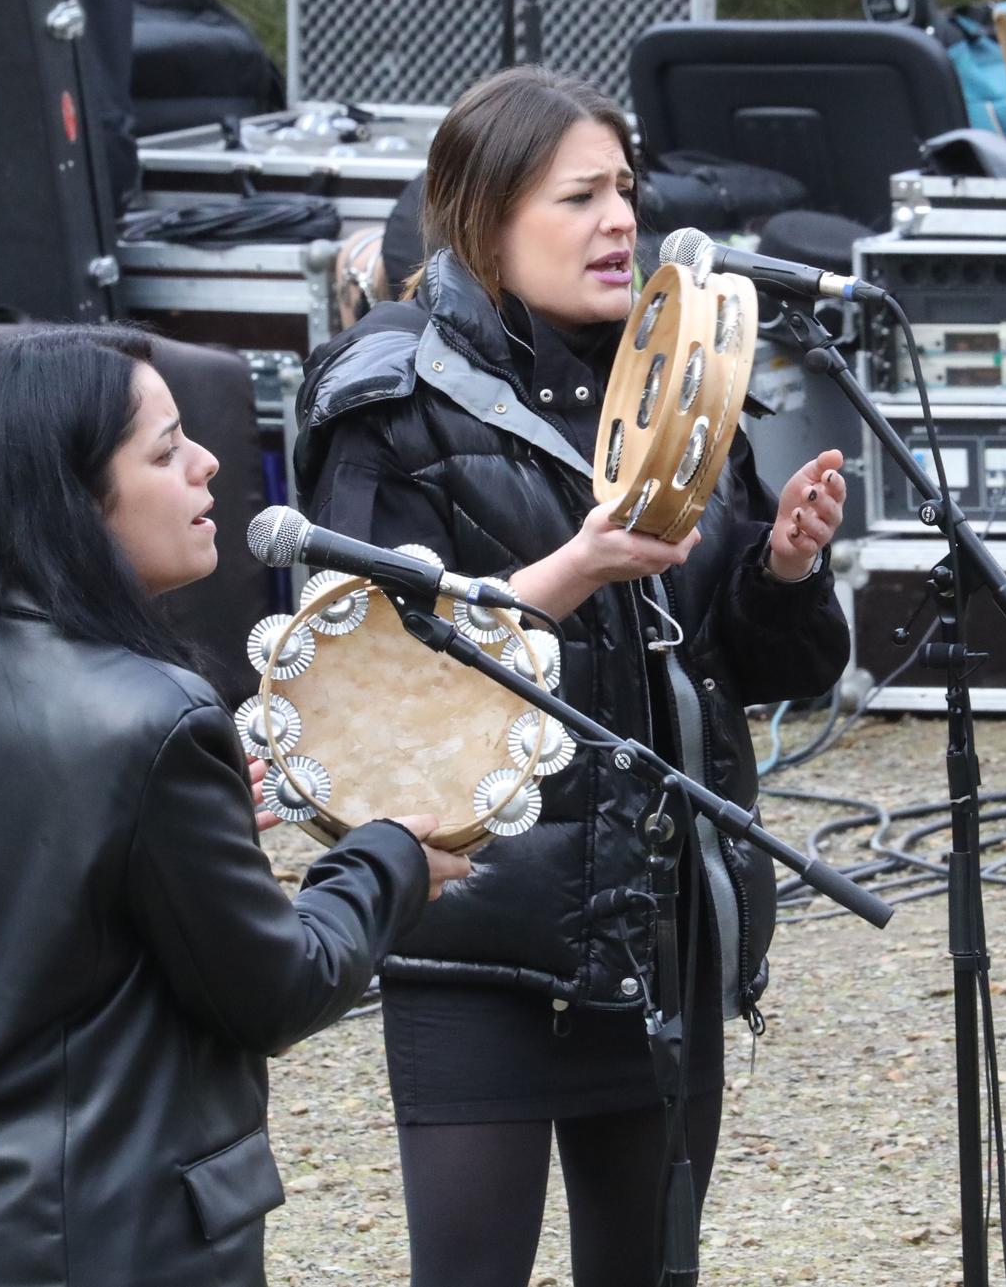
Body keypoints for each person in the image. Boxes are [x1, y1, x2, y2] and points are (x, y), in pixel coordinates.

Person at [295, 65, 851, 1287]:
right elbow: (353, 676)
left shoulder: (676, 375)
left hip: (655, 925)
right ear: (486, 214)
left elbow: (755, 670)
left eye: (626, 192)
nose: (619, 223)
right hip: (477, 931)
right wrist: (573, 568)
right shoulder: (386, 394)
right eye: (579, 196)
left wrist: (787, 574)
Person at [0, 326, 470, 1287]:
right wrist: (385, 863)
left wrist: (173, 835)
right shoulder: (154, 716)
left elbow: (21, 915)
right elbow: (276, 988)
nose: (210, 462)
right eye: (168, 450)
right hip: (112, 1240)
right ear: (73, 500)